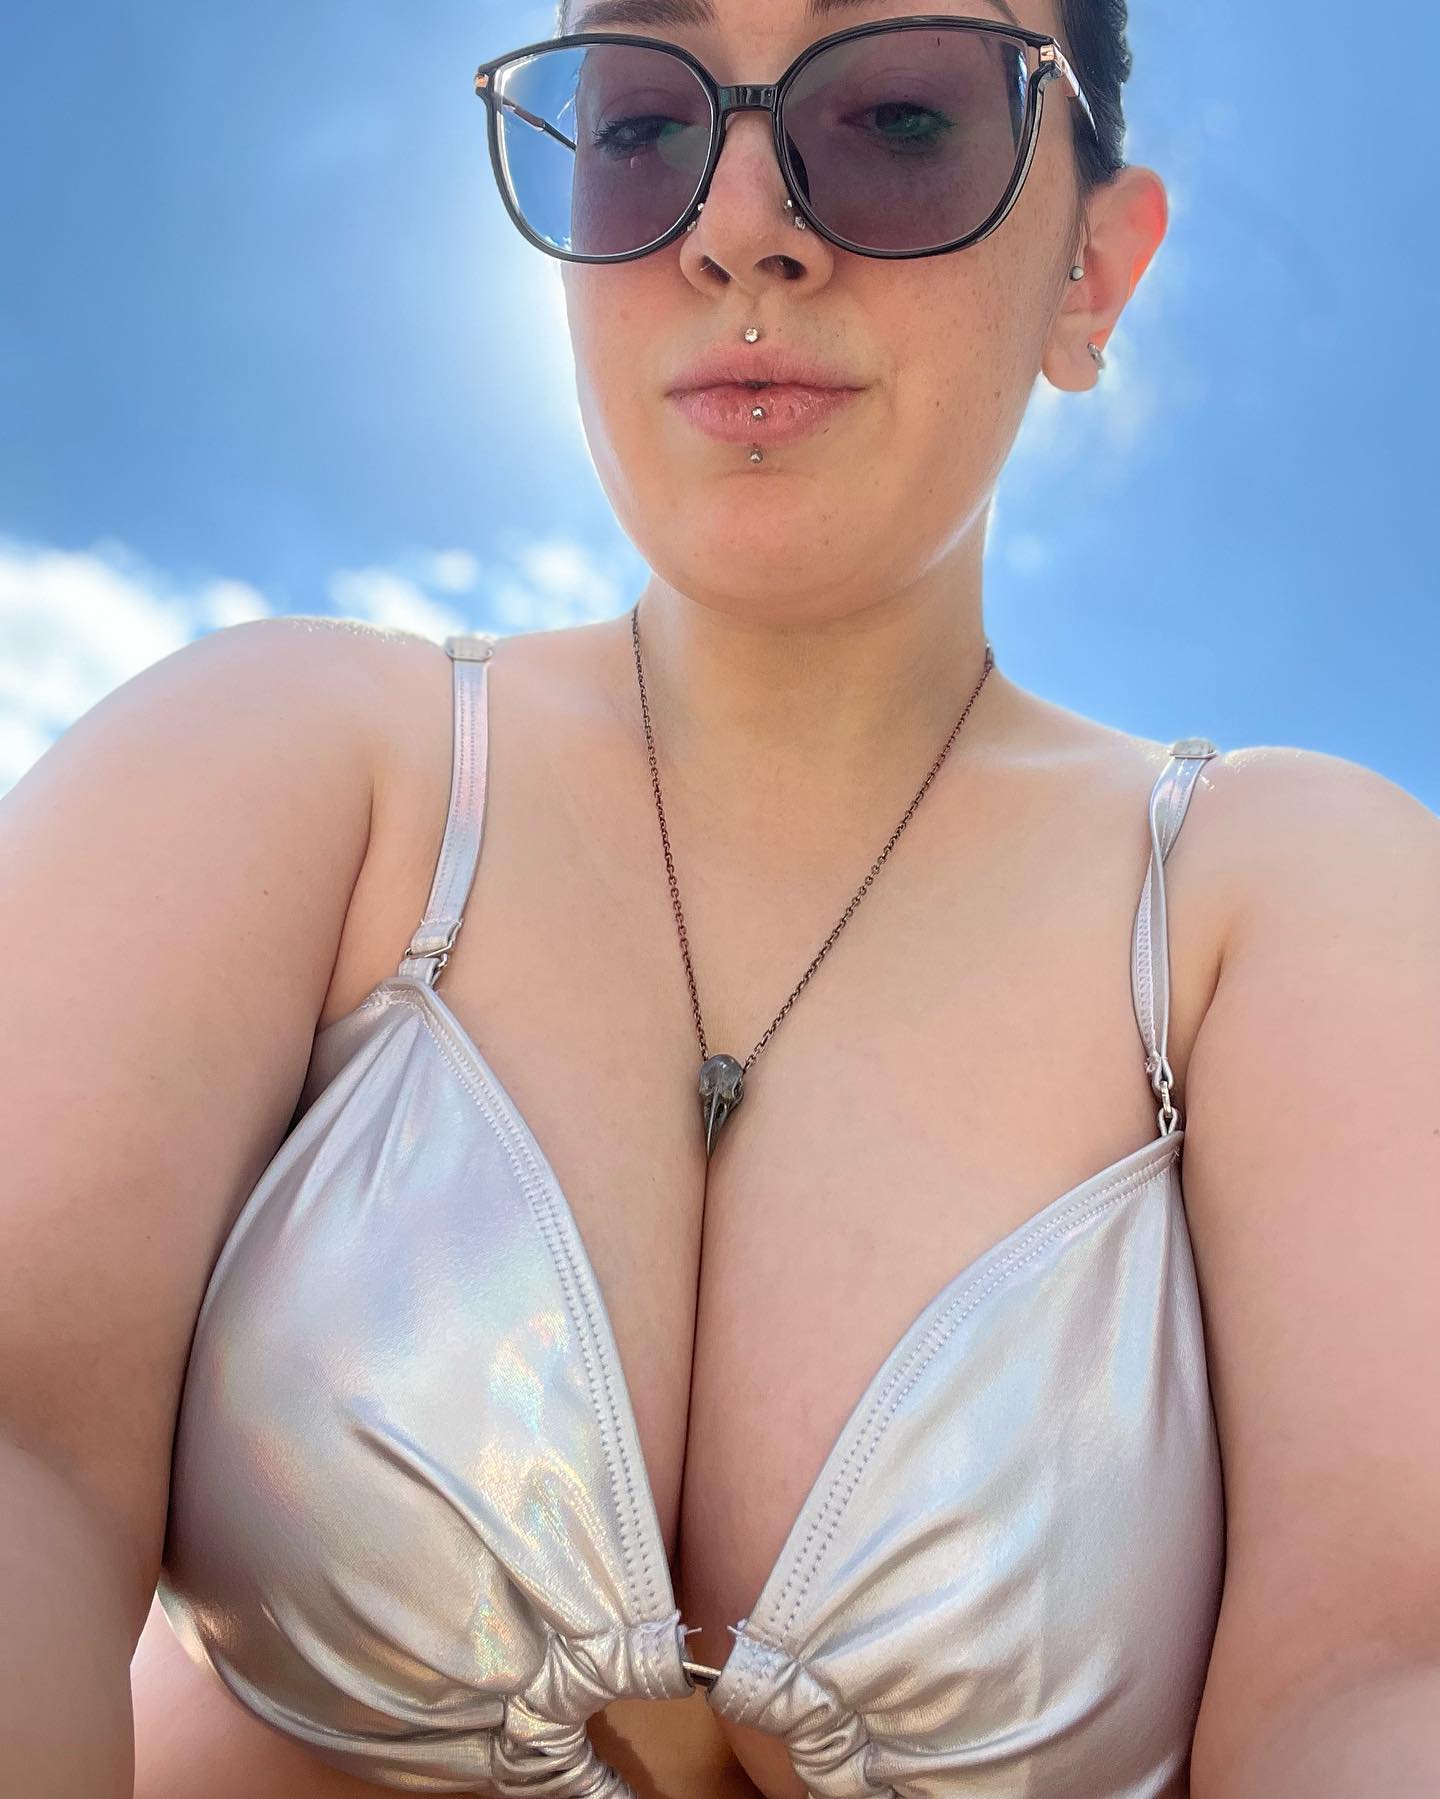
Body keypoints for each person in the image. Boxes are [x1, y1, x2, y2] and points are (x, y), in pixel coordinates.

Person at [4, 0, 1438, 1795]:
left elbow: (1387, 1671)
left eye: (898, 118)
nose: (738, 223)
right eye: (638, 129)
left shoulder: (1275, 900)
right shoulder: (286, 763)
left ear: (1091, 273)